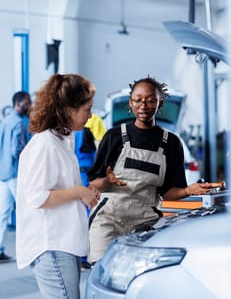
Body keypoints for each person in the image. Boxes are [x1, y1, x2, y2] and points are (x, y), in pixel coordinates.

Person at [87, 76, 218, 263]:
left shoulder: (171, 143)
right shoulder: (113, 137)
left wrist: (189, 190)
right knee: (102, 269)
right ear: (130, 103)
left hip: (145, 222)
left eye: (150, 100)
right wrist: (108, 180)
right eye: (138, 100)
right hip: (109, 219)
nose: (143, 105)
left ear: (160, 102)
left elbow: (168, 193)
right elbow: (95, 183)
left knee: (140, 273)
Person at [16, 74, 100, 299]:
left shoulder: (61, 141)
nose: (90, 115)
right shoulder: (46, 144)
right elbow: (37, 196)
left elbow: (59, 186)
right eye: (87, 109)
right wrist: (79, 192)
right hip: (51, 245)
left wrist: (85, 191)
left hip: (64, 243)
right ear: (69, 109)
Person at [0, 91, 31, 262]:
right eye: (27, 102)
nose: (30, 104)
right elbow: (16, 151)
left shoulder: (5, 121)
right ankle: (26, 250)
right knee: (25, 211)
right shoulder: (19, 123)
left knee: (2, 214)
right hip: (15, 174)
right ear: (18, 104)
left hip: (3, 173)